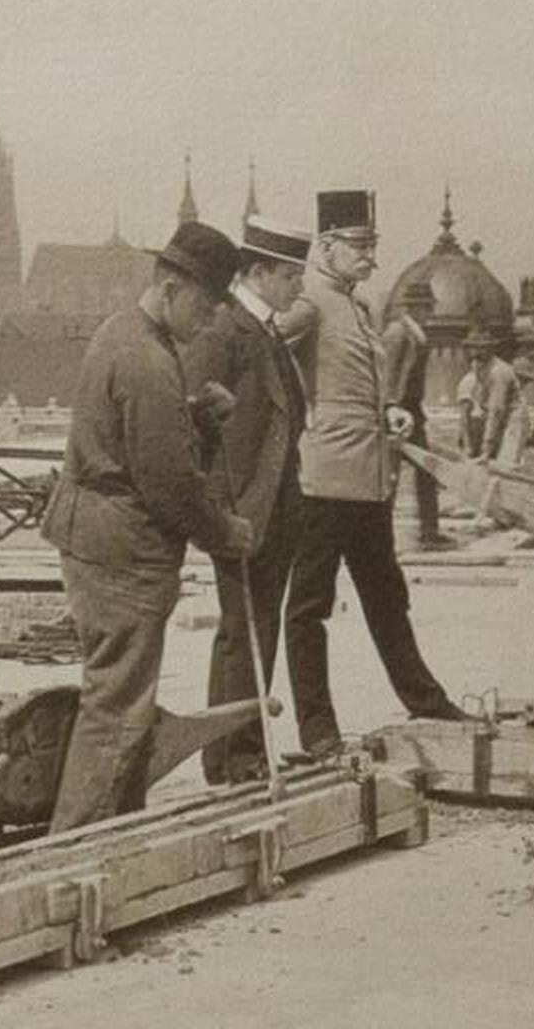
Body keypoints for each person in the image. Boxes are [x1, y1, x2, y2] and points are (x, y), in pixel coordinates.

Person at [41, 221, 254, 833]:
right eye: (208, 305)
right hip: (122, 548)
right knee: (118, 706)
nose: (211, 321)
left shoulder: (123, 334)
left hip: (95, 533)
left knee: (115, 694)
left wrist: (196, 420)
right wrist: (225, 532)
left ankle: (118, 828)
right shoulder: (149, 361)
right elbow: (168, 484)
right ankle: (79, 845)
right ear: (170, 287)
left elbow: (133, 438)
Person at [280, 189, 467, 757]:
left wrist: (389, 410)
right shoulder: (308, 302)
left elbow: (363, 384)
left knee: (387, 596)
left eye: (373, 246)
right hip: (324, 480)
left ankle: (426, 700)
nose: (370, 258)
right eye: (361, 246)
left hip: (369, 478)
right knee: (309, 608)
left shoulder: (360, 306)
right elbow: (261, 357)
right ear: (328, 246)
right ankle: (317, 731)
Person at [183, 215, 312, 785]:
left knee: (259, 626)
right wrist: (220, 514)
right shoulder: (224, 333)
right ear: (258, 274)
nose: (299, 287)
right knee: (243, 633)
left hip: (275, 507)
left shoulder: (266, 332)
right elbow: (197, 430)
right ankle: (232, 757)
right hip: (242, 510)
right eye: (290, 276)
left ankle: (246, 747)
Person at [381, 280, 450, 547]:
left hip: (413, 411)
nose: (428, 313)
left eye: (429, 307)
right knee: (389, 476)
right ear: (413, 307)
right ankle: (382, 535)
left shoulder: (415, 334)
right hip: (397, 412)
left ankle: (430, 532)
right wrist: (389, 406)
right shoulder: (397, 333)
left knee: (427, 470)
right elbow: (387, 374)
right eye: (424, 307)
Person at [458, 328, 519, 461]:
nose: (476, 352)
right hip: (496, 421)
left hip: (511, 422)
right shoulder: (479, 367)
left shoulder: (498, 372)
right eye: (473, 348)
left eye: (482, 348)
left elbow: (496, 410)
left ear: (491, 349)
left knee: (504, 464)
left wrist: (486, 448)